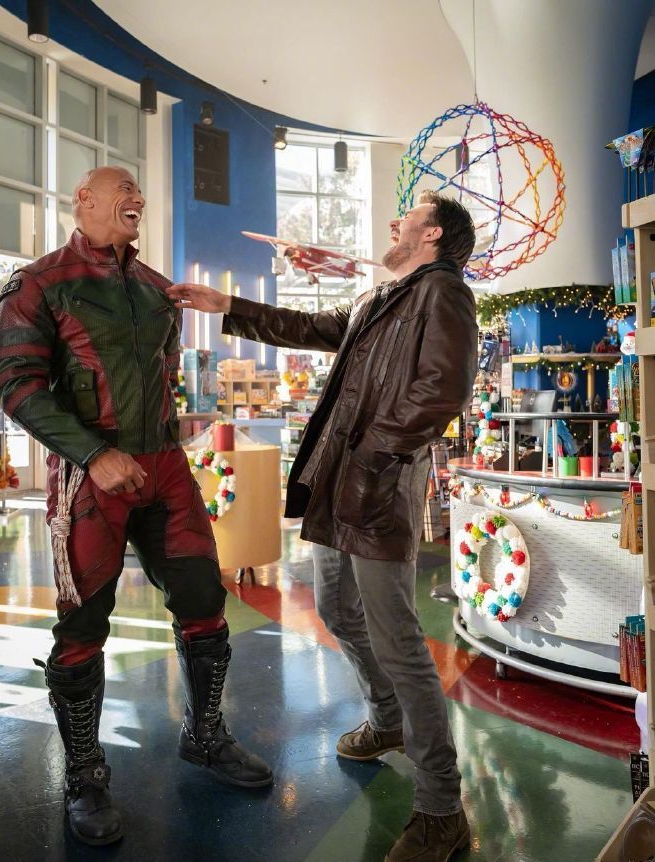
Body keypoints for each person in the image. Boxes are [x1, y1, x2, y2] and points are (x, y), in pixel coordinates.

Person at [167, 190, 478, 862]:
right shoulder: (381, 298)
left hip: (379, 486)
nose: (394, 220)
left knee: (399, 642)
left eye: (408, 216)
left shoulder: (443, 293)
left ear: (432, 234)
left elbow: (443, 390)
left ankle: (441, 808)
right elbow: (308, 327)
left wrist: (371, 458)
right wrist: (227, 306)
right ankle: (387, 719)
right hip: (341, 482)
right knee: (336, 608)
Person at [0, 166, 272, 847]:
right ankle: (85, 773)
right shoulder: (38, 284)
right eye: (123, 190)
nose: (137, 199)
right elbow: (19, 387)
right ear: (83, 200)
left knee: (204, 600)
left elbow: (166, 378)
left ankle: (204, 734)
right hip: (91, 476)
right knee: (83, 620)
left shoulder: (156, 290)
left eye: (139, 192)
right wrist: (94, 453)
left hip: (165, 469)